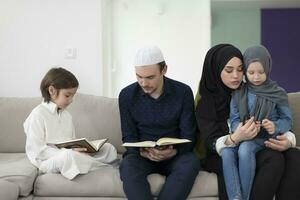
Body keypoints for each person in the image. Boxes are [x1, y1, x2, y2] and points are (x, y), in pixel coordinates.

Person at [194, 44, 297, 200]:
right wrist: (236, 137)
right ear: (216, 70)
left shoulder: (251, 89)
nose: (236, 76)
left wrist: (288, 140)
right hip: (220, 152)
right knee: (268, 158)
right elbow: (210, 142)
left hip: (256, 141)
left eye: (240, 69)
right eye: (229, 70)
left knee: (294, 155)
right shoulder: (205, 102)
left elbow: (279, 117)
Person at [119, 45, 201, 200]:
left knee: (191, 162)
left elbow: (189, 135)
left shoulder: (183, 92)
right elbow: (128, 137)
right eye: (139, 77)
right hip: (143, 156)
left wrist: (174, 152)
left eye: (150, 77)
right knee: (128, 166)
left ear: (164, 70)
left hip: (175, 155)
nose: (143, 83)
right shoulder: (127, 95)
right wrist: (142, 152)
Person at [221, 45, 292, 200]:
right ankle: (236, 197)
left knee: (245, 149)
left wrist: (275, 126)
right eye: (251, 72)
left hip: (264, 138)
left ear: (267, 69)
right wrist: (239, 128)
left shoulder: (278, 93)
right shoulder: (238, 93)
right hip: (243, 137)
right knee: (226, 153)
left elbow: (287, 120)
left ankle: (245, 197)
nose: (256, 77)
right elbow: (233, 119)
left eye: (261, 72)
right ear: (245, 71)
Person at [24, 67, 117, 180]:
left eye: (73, 95)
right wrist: (70, 152)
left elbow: (71, 142)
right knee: (69, 156)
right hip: (48, 161)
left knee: (108, 148)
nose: (71, 100)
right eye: (67, 95)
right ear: (52, 91)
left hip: (70, 154)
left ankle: (89, 163)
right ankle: (99, 165)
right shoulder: (38, 114)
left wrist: (83, 149)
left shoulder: (67, 116)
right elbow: (38, 151)